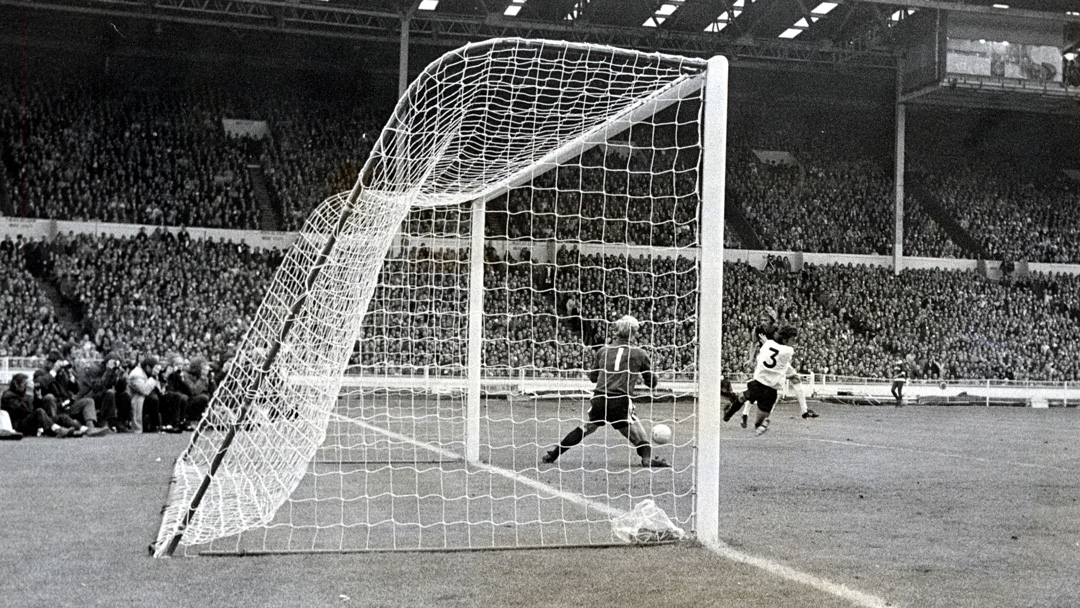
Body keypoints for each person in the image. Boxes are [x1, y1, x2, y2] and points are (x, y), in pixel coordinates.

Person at [541, 315, 670, 468]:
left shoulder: (603, 350)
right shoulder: (639, 353)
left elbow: (593, 378)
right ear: (635, 332)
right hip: (620, 400)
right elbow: (651, 383)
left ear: (616, 331)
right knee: (639, 435)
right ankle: (647, 459)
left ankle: (553, 454)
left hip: (600, 398)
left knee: (587, 428)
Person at [733, 306, 816, 428]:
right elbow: (753, 343)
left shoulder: (777, 330)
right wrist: (751, 358)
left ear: (771, 320)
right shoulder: (758, 330)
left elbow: (780, 344)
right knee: (760, 388)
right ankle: (747, 415)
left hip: (778, 360)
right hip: (765, 360)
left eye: (766, 320)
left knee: (768, 388)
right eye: (762, 320)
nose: (763, 322)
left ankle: (803, 410)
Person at [723, 325, 808, 436]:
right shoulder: (789, 351)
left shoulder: (769, 345)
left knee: (744, 401)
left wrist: (766, 342)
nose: (795, 342)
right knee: (744, 398)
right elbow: (776, 350)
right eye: (793, 339)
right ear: (785, 339)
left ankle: (736, 415)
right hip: (764, 386)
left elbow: (769, 347)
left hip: (766, 386)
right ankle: (731, 415)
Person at [33, 350, 111, 437]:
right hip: (52, 408)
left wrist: (71, 376)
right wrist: (54, 371)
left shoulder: (62, 375)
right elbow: (40, 384)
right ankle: (55, 428)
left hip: (66, 406)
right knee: (49, 397)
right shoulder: (40, 373)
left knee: (88, 401)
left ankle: (91, 427)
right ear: (49, 363)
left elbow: (76, 390)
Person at [1, 373, 81, 438]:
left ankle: (79, 429)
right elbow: (25, 410)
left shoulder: (24, 395)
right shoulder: (8, 396)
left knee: (61, 417)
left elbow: (33, 408)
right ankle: (58, 430)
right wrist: (29, 394)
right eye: (25, 384)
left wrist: (38, 398)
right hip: (19, 426)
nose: (26, 387)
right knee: (39, 412)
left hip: (29, 421)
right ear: (17, 385)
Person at [128, 356, 162, 433]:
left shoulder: (148, 372)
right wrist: (153, 377)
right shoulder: (136, 374)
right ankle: (154, 426)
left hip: (149, 397)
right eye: (155, 368)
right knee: (154, 399)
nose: (156, 371)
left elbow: (159, 390)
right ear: (148, 367)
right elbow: (145, 390)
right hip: (139, 399)